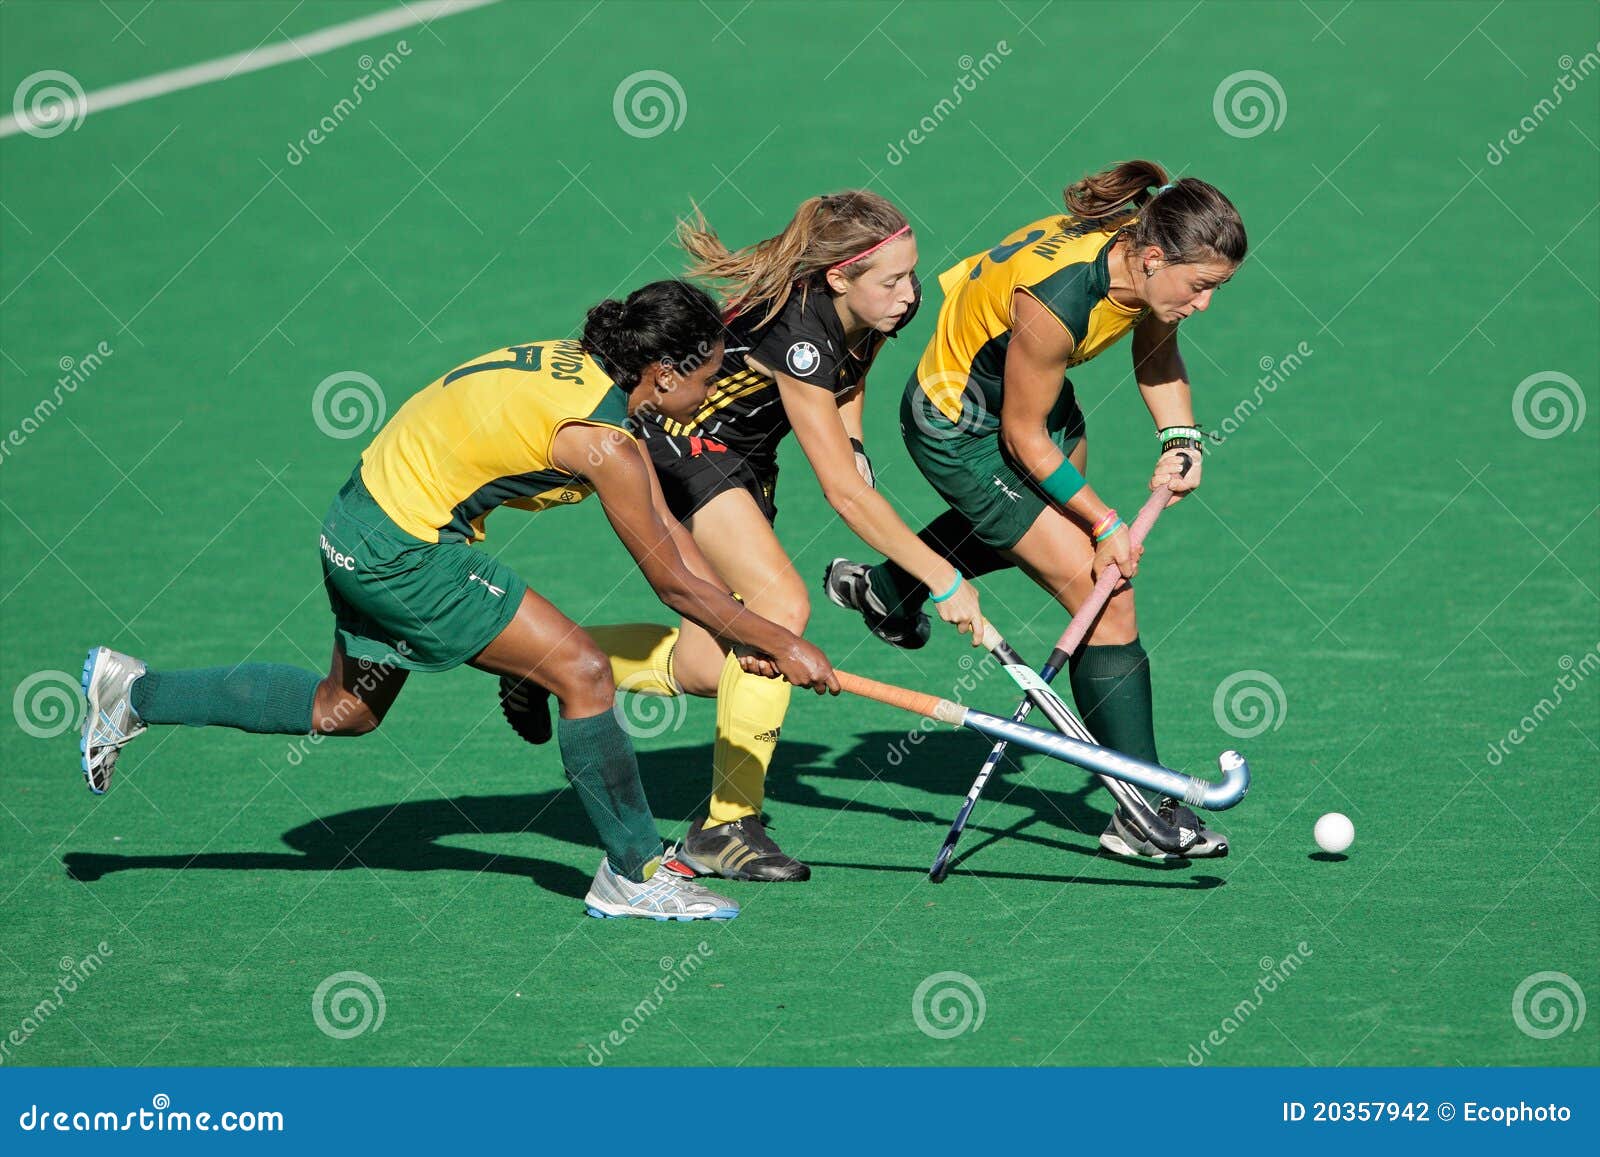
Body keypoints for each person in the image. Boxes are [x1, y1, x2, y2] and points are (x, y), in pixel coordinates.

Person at [79, 280, 838, 921]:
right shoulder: (598, 441)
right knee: (582, 671)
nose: (710, 393)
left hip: (357, 519)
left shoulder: (583, 371)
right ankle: (634, 873)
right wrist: (779, 640)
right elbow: (669, 578)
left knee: (343, 709)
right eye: (705, 376)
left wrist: (747, 630)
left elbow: (670, 529)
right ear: (664, 374)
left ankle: (131, 693)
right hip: (406, 552)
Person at [510, 192, 989, 884]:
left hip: (743, 459)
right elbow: (846, 494)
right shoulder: (796, 334)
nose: (909, 294)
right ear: (837, 279)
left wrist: (851, 438)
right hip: (683, 440)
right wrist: (941, 579)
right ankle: (728, 824)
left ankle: (549, 659)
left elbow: (849, 372)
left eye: (912, 275)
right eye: (891, 280)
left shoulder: (875, 306)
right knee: (777, 611)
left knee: (712, 666)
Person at [825, 160, 1245, 859]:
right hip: (961, 425)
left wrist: (1180, 433)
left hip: (1036, 405)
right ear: (1150, 257)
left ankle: (886, 590)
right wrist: (1106, 520)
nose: (1204, 304)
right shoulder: (1058, 303)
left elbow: (1155, 334)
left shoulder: (1137, 255)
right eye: (1200, 286)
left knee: (1025, 528)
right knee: (1105, 596)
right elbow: (1019, 440)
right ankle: (1141, 809)